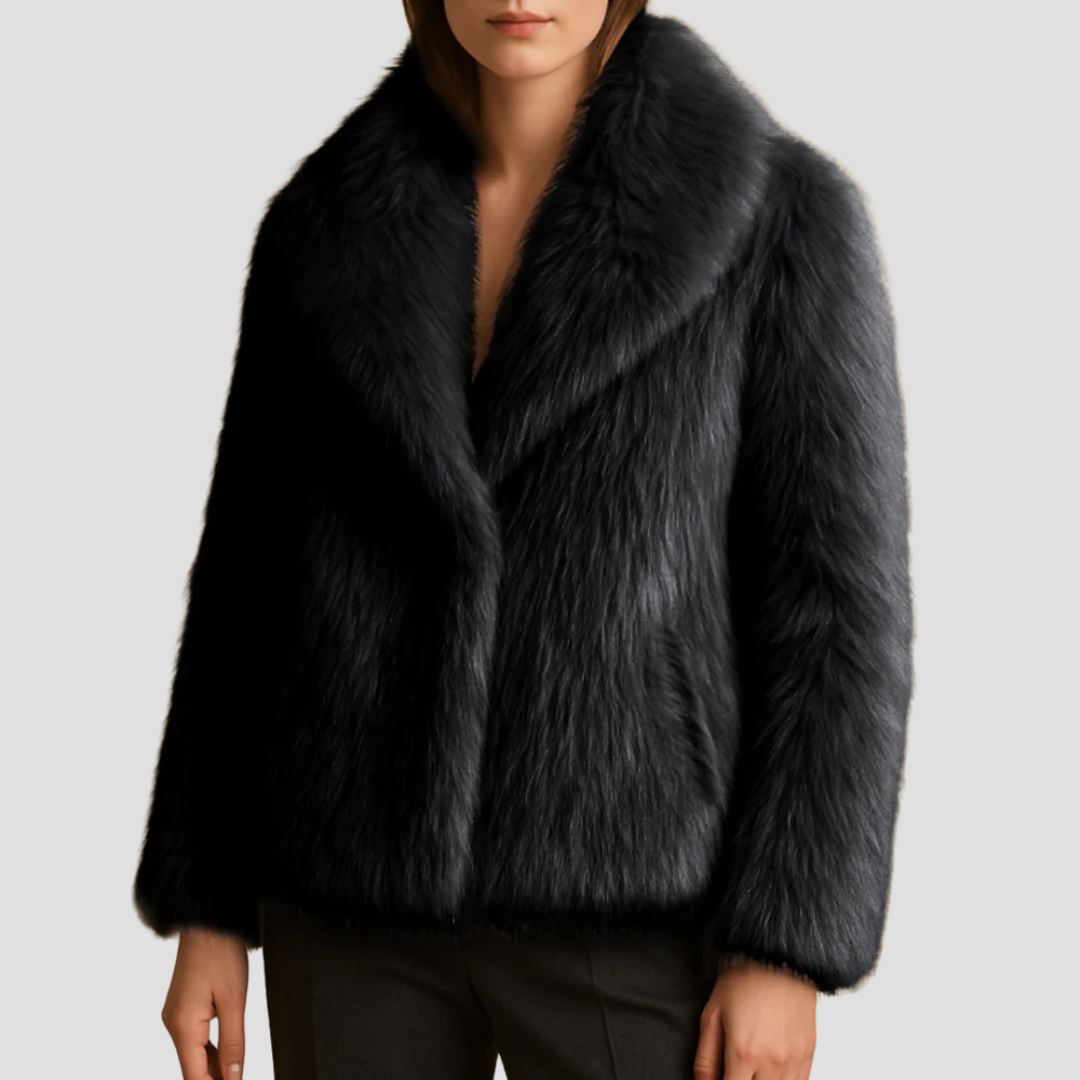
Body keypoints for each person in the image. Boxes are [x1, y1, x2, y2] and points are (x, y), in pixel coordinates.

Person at [133, 3, 914, 1079]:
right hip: (348, 897)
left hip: (635, 900)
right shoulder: (320, 229)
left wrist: (784, 942)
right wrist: (208, 902)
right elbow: (245, 579)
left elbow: (836, 611)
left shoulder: (781, 216)